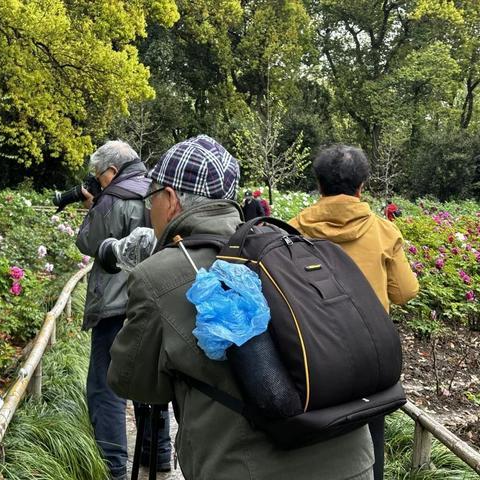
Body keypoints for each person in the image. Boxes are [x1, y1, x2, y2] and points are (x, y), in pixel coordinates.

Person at [108, 134, 375, 480]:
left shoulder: (158, 275)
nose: (149, 209)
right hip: (354, 461)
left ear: (170, 199)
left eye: (151, 198)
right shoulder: (287, 245)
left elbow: (132, 382)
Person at [289, 144, 419, 480]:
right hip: (368, 354)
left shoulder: (289, 230)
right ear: (361, 186)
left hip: (310, 355)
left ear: (319, 185)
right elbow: (405, 291)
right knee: (370, 435)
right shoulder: (383, 231)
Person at [75, 140, 171, 480]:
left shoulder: (113, 199)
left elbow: (87, 243)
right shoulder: (157, 190)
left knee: (105, 387)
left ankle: (112, 467)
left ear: (112, 171)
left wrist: (94, 206)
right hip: (153, 300)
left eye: (99, 176)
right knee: (150, 381)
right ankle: (158, 454)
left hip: (116, 305)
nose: (97, 182)